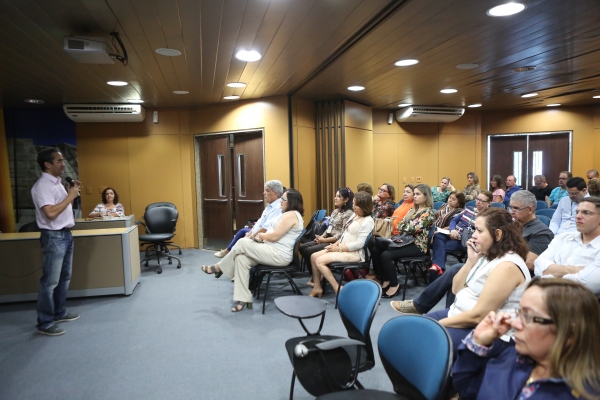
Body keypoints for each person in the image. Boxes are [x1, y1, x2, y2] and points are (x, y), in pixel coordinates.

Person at [392, 190, 554, 316]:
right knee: (459, 270)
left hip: (510, 276)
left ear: (531, 209)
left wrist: (493, 250)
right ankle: (448, 310)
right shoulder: (511, 224)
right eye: (510, 207)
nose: (511, 211)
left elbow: (529, 262)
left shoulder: (541, 231)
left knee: (457, 270)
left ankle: (431, 308)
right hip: (491, 264)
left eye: (516, 208)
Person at [453, 278, 600, 400]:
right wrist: (478, 343)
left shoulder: (585, 393)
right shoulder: (512, 358)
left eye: (529, 317)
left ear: (570, 334)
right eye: (520, 313)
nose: (515, 324)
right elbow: (467, 389)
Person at [423, 208, 530, 355]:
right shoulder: (487, 255)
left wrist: (436, 325)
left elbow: (479, 315)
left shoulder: (507, 266)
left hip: (491, 332)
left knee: (424, 339)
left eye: (479, 231)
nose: (473, 235)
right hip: (460, 315)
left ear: (498, 234)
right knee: (412, 330)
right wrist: (470, 262)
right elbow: (455, 289)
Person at [201, 189, 304, 312]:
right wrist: (260, 236)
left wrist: (260, 236)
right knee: (241, 258)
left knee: (242, 242)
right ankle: (243, 299)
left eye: (284, 199)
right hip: (270, 249)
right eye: (281, 198)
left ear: (292, 202)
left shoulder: (292, 215)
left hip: (279, 255)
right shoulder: (285, 213)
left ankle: (219, 267)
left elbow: (274, 236)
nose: (281, 201)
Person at [31, 148, 81, 336]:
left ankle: (59, 312)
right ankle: (44, 323)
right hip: (54, 237)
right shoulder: (43, 186)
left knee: (63, 278)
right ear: (47, 164)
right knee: (49, 282)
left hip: (65, 235)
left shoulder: (58, 183)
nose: (63, 164)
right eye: (59, 161)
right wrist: (70, 197)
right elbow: (50, 213)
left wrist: (70, 193)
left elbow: (62, 208)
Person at [370, 184, 435, 298]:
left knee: (386, 255)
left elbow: (411, 228)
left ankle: (394, 285)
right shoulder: (413, 209)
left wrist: (404, 225)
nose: (414, 196)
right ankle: (386, 280)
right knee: (376, 248)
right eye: (414, 194)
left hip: (417, 245)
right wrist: (404, 225)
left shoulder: (428, 213)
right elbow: (400, 224)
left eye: (418, 194)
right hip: (405, 240)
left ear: (426, 196)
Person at [308, 191, 374, 297]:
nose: (354, 207)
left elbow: (359, 244)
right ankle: (317, 287)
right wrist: (336, 245)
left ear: (364, 206)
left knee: (319, 261)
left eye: (357, 205)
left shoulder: (368, 221)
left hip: (354, 253)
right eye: (353, 204)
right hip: (342, 247)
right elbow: (345, 233)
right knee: (313, 256)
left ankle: (338, 288)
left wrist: (339, 249)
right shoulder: (355, 215)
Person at [535, 197, 600, 295]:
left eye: (586, 213)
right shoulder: (563, 238)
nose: (578, 216)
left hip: (582, 305)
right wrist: (571, 270)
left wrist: (552, 272)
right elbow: (538, 265)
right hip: (545, 297)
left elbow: (589, 284)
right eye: (577, 212)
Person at [427, 191, 493, 277]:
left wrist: (459, 235)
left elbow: (481, 232)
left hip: (463, 240)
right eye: (477, 199)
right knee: (437, 235)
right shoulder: (469, 209)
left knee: (440, 248)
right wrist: (453, 230)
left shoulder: (488, 217)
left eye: (482, 201)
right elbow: (454, 221)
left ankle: (437, 270)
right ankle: (438, 268)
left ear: (489, 203)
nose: (478, 202)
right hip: (452, 233)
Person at [214, 180, 283, 258]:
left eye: (267, 191)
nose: (264, 193)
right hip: (256, 234)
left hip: (262, 238)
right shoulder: (269, 206)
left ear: (275, 193)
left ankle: (225, 258)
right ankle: (227, 253)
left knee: (241, 244)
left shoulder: (277, 208)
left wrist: (251, 237)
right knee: (243, 231)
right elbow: (259, 222)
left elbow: (265, 229)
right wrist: (250, 233)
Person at [299, 188, 354, 287]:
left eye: (338, 196)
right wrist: (322, 236)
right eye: (335, 196)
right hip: (327, 238)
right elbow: (329, 227)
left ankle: (317, 276)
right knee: (302, 247)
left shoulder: (348, 213)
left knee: (309, 251)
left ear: (346, 200)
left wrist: (324, 240)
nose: (335, 198)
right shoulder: (336, 211)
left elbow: (342, 234)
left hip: (335, 242)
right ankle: (317, 274)